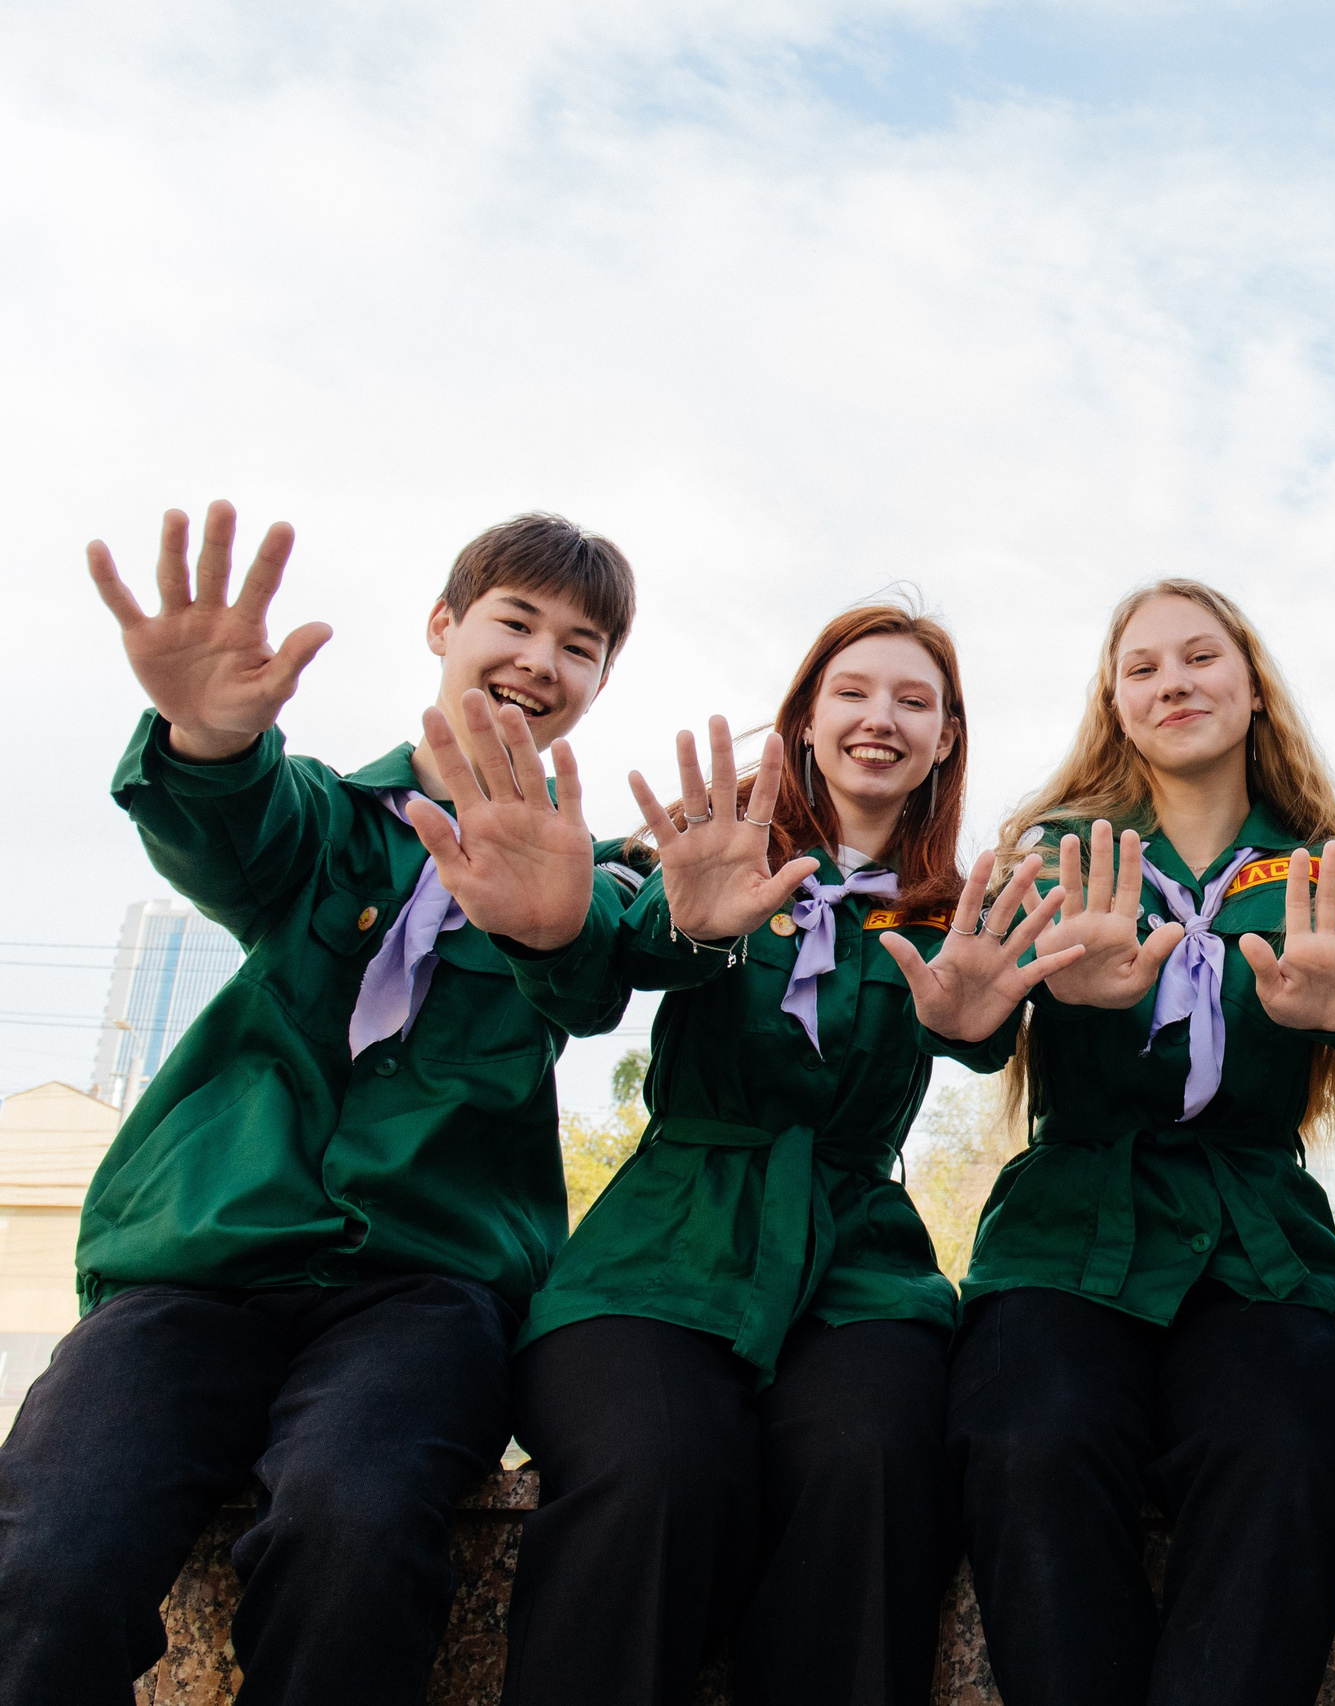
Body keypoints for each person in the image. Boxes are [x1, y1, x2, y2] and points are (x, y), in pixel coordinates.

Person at [0, 502, 639, 1706]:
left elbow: (606, 957)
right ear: (444, 625)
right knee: (50, 1550)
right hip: (198, 1268)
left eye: (581, 646)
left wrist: (556, 919)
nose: (541, 661)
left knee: (354, 1528)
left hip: (424, 1288)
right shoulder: (326, 821)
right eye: (516, 620)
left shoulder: (584, 867)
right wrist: (205, 738)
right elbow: (235, 829)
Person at [491, 604, 1081, 1706]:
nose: (881, 718)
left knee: (875, 1471)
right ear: (806, 716)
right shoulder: (709, 854)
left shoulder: (956, 913)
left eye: (915, 701)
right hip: (660, 1249)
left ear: (947, 738)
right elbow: (594, 967)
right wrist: (684, 927)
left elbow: (987, 1026)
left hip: (857, 1260)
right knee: (655, 1472)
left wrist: (972, 1024)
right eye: (853, 691)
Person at [947, 578, 1335, 1706]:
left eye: (1199, 658)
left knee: (1291, 1442)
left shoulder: (1322, 871)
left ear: (1252, 688)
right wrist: (1019, 1000)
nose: (1172, 683)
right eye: (1141, 667)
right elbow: (974, 1023)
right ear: (1113, 702)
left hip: (1258, 1240)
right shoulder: (1049, 856)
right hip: (1069, 1227)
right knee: (1029, 1439)